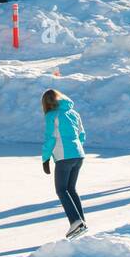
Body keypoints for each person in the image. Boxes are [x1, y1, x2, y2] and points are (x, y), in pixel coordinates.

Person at [41, 88, 88, 239]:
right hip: (78, 155)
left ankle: (75, 222)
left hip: (64, 156)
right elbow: (81, 135)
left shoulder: (51, 115)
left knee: (61, 190)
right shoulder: (74, 113)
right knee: (71, 189)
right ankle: (81, 222)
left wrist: (45, 159)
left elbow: (50, 138)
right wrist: (76, 149)